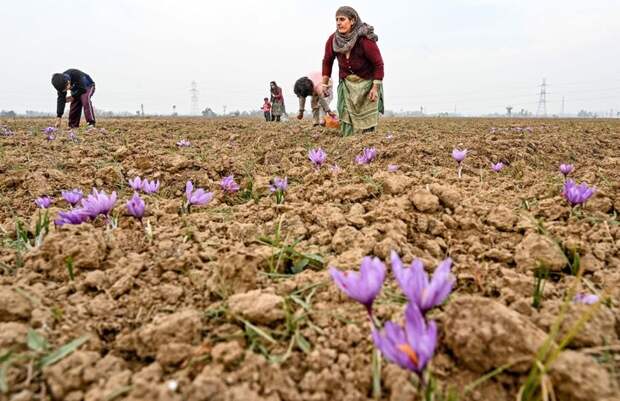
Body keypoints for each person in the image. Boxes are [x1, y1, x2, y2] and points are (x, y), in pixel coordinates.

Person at [322, 6, 384, 136]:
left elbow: (378, 64)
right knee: (344, 113)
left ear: (353, 20)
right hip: (347, 84)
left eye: (342, 19)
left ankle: (368, 142)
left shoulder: (365, 39)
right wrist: (324, 83)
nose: (339, 22)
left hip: (367, 83)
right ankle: (348, 140)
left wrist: (375, 88)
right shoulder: (333, 40)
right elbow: (327, 61)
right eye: (337, 20)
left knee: (368, 121)